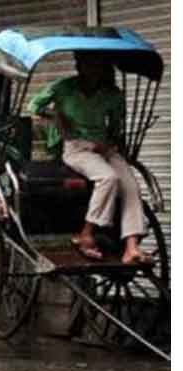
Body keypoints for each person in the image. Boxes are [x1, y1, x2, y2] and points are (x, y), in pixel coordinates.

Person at [28, 51, 149, 264]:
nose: (93, 69)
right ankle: (86, 234)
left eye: (98, 64)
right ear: (79, 65)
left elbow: (115, 126)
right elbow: (34, 106)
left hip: (103, 148)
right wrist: (56, 115)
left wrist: (109, 145)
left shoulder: (112, 94)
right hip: (77, 148)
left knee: (130, 184)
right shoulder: (63, 87)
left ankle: (131, 247)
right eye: (87, 63)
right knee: (108, 178)